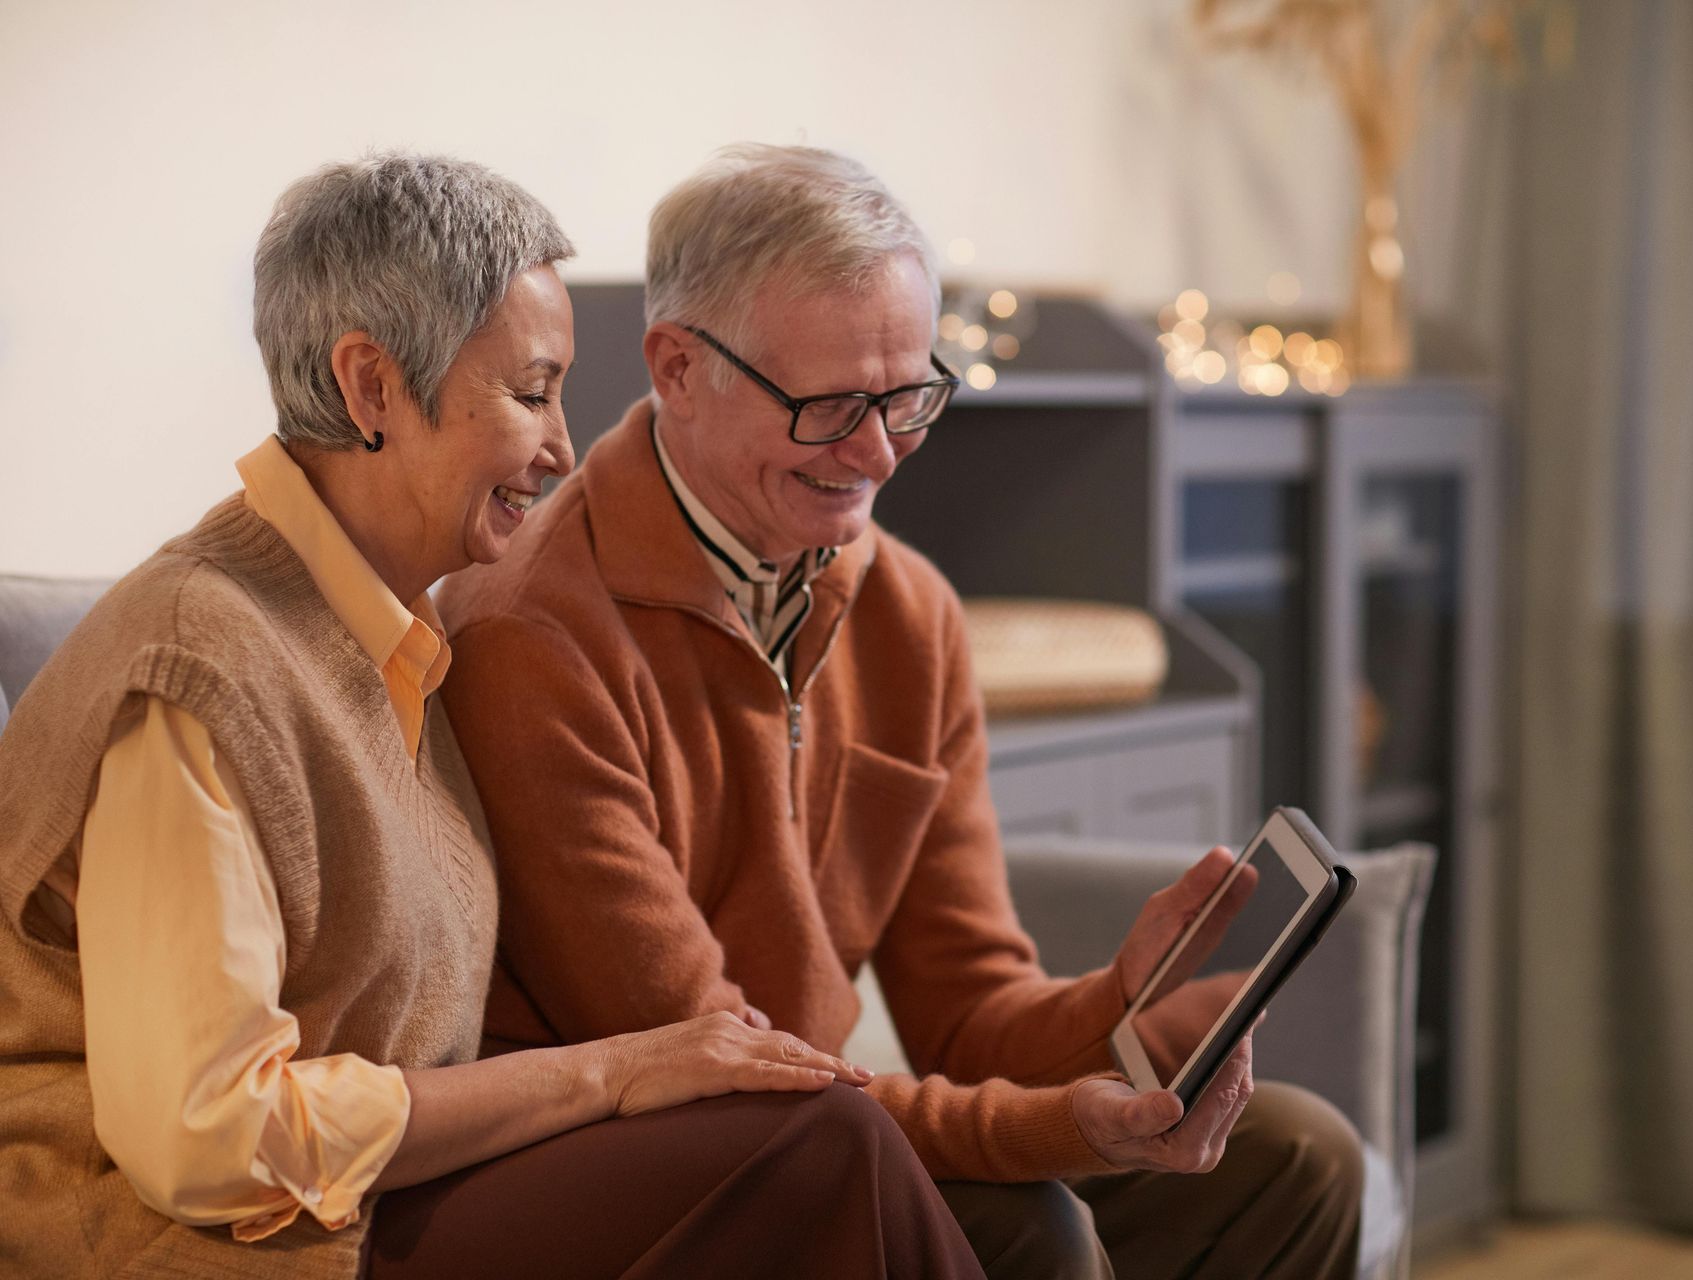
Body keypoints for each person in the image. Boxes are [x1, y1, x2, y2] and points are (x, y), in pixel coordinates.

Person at [0, 152, 983, 1280]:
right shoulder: (196, 668)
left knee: (853, 1169)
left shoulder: (386, 638)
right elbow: (207, 1139)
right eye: (530, 392)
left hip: (375, 1195)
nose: (563, 447)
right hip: (183, 1238)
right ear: (372, 388)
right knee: (821, 1149)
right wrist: (608, 1072)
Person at [436, 143, 1365, 1279]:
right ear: (677, 367)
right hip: (654, 1173)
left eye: (909, 394)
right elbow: (733, 1071)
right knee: (1032, 1226)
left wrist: (1129, 1002)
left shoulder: (910, 610)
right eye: (829, 406)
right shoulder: (532, 634)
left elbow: (970, 1013)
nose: (879, 453)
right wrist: (1063, 1127)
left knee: (1301, 1160)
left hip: (822, 1129)